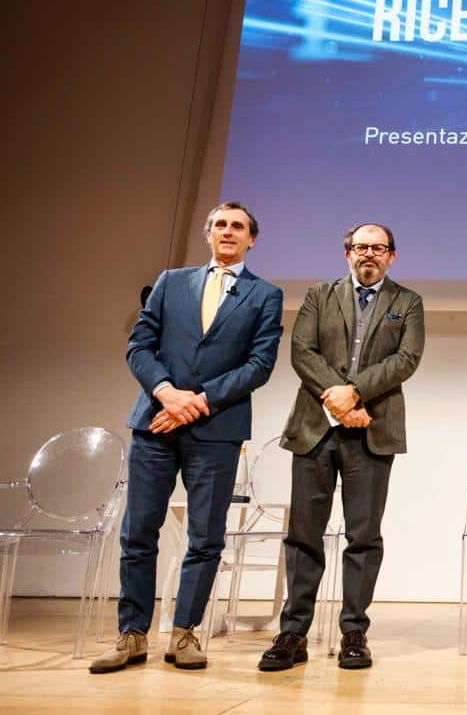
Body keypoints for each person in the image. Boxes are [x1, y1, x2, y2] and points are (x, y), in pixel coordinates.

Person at [92, 202, 284, 674]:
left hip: (216, 430)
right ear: (208, 234)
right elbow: (139, 346)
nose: (228, 232)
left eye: (237, 226)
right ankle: (132, 635)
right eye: (220, 225)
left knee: (205, 537)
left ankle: (185, 633)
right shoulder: (171, 282)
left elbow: (259, 365)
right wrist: (166, 393)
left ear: (252, 239)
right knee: (138, 533)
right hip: (155, 423)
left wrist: (197, 401)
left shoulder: (265, 294)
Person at [258, 222, 424, 671]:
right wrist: (338, 400)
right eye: (360, 247)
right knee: (303, 535)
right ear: (347, 253)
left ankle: (354, 632)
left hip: (373, 430)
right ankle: (293, 632)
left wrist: (354, 393)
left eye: (378, 248)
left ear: (392, 256)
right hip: (315, 428)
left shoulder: (407, 302)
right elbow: (302, 351)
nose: (369, 254)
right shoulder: (318, 294)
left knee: (363, 537)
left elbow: (406, 359)